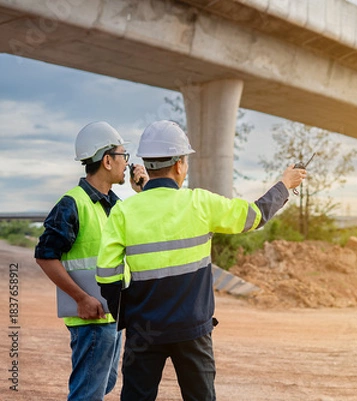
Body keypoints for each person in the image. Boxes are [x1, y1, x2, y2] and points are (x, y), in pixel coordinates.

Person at [95, 120, 306, 401]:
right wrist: (284, 184)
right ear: (181, 164)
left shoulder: (124, 212)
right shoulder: (200, 203)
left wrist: (128, 317)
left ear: (147, 164)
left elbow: (106, 275)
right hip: (192, 328)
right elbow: (254, 215)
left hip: (143, 330)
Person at [35, 121, 149, 401]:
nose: (128, 164)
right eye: (124, 156)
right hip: (91, 318)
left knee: (103, 384)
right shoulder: (72, 204)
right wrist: (80, 299)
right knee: (88, 394)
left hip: (113, 314)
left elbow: (150, 229)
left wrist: (143, 192)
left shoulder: (117, 205)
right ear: (108, 160)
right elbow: (44, 255)